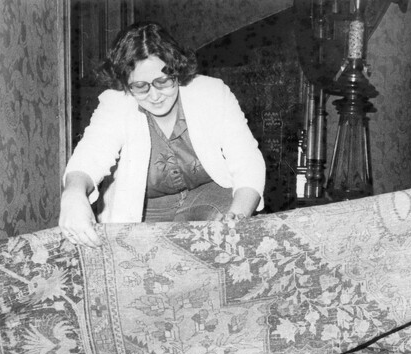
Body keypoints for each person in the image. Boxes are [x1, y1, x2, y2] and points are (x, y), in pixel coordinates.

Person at [60, 22, 266, 248]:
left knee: (215, 246)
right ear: (127, 84)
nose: (155, 95)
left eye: (163, 82)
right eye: (141, 86)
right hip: (146, 208)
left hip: (207, 198)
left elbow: (247, 161)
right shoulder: (116, 103)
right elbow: (91, 155)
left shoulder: (212, 92)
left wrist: (236, 218)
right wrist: (73, 193)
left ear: (177, 71)